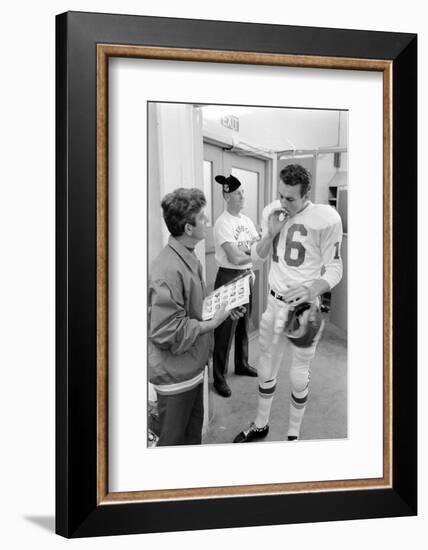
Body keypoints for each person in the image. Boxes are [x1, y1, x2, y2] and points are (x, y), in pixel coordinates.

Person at [233, 164, 343, 443]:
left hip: (304, 309)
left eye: (290, 198)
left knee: (298, 374)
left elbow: (335, 268)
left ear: (306, 194)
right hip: (274, 303)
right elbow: (256, 260)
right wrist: (270, 233)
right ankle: (261, 424)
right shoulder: (272, 210)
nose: (283, 202)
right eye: (281, 195)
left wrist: (312, 288)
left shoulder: (326, 217)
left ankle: (293, 433)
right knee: (266, 367)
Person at [148, 187, 244, 446]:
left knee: (191, 442)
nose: (208, 222)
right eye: (202, 218)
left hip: (191, 368)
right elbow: (165, 330)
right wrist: (211, 323)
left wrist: (224, 307)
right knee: (173, 446)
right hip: (175, 377)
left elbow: (191, 308)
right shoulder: (167, 270)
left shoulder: (188, 258)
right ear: (189, 228)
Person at [212, 174, 259, 398]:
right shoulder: (223, 223)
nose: (242, 196)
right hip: (229, 278)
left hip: (246, 277)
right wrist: (252, 253)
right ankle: (219, 378)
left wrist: (250, 258)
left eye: (243, 192)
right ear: (227, 195)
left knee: (243, 326)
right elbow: (234, 257)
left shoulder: (246, 221)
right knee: (224, 331)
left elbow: (256, 247)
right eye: (238, 193)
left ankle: (242, 364)